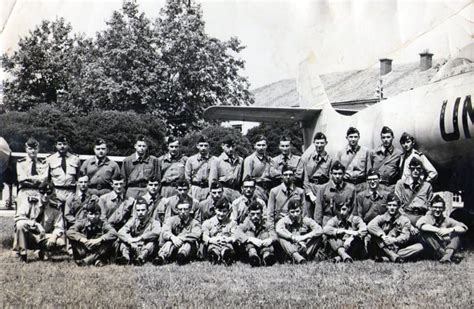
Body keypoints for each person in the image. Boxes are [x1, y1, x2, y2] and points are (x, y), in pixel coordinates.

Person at [13, 182, 65, 262]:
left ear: (52, 193)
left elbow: (59, 226)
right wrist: (36, 224)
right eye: (42, 192)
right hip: (29, 236)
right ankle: (23, 255)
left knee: (60, 242)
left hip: (43, 236)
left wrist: (54, 236)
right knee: (20, 224)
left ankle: (42, 251)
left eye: (48, 193)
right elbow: (18, 217)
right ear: (38, 192)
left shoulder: (55, 207)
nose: (45, 196)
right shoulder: (30, 202)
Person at [367, 193, 424, 262]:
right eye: (390, 205)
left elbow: (405, 236)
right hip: (382, 246)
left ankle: (387, 258)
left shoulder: (404, 220)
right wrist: (383, 236)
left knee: (419, 247)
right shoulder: (381, 217)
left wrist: (394, 240)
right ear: (387, 206)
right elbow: (370, 225)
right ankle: (393, 257)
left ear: (398, 207)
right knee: (374, 235)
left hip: (397, 248)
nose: (392, 208)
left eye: (394, 205)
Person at [416, 195, 468, 263]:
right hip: (431, 248)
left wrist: (450, 229)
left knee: (456, 233)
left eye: (440, 208)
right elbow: (420, 225)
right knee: (426, 232)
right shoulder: (426, 218)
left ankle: (446, 257)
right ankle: (448, 256)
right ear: (430, 208)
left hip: (444, 246)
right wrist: (439, 230)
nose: (437, 210)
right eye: (435, 207)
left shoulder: (446, 219)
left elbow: (464, 227)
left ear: (444, 208)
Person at [67, 200, 118, 266]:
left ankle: (87, 261)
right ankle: (97, 260)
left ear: (100, 214)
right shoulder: (82, 222)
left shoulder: (103, 223)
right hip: (84, 248)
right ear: (86, 214)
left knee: (111, 240)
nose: (94, 216)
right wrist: (82, 239)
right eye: (91, 214)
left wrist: (99, 240)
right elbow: (69, 232)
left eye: (96, 214)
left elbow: (114, 232)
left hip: (98, 248)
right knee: (72, 238)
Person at [296, 132, 333, 219]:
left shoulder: (330, 160)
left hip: (324, 188)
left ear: (326, 143)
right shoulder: (307, 158)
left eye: (322, 143)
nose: (319, 145)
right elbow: (305, 179)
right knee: (308, 215)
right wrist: (310, 194)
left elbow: (331, 178)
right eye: (317, 143)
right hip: (310, 188)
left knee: (322, 215)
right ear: (314, 143)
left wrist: (325, 192)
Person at [276, 199, 323, 264]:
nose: (295, 214)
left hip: (305, 247)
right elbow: (278, 230)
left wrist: (304, 237)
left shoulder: (306, 220)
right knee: (281, 238)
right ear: (288, 212)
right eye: (292, 212)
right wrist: (293, 237)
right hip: (291, 248)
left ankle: (303, 257)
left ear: (301, 210)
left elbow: (319, 230)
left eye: (297, 211)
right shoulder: (284, 221)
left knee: (319, 236)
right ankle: (299, 258)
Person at [117, 198, 161, 265]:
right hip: (134, 247)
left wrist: (140, 238)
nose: (140, 213)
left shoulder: (154, 222)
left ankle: (140, 259)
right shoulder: (133, 221)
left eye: (143, 210)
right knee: (123, 242)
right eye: (138, 210)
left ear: (148, 210)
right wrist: (130, 241)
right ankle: (125, 258)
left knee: (151, 243)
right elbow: (121, 232)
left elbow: (157, 232)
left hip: (145, 248)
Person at [314, 161, 356, 227]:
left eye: (340, 174)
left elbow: (354, 209)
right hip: (327, 222)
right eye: (335, 174)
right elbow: (318, 211)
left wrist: (352, 225)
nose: (337, 176)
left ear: (344, 174)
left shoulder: (351, 189)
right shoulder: (323, 189)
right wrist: (318, 227)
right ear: (331, 174)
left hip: (344, 223)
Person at [236, 200, 277, 267]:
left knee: (265, 234)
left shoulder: (265, 223)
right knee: (249, 233)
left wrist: (271, 239)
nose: (255, 216)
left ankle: (267, 257)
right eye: (253, 214)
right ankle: (254, 257)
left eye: (258, 214)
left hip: (263, 246)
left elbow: (274, 233)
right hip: (250, 248)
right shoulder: (246, 223)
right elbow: (237, 233)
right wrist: (250, 239)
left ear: (262, 213)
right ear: (249, 213)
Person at [395, 157, 433, 225]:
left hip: (422, 217)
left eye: (418, 168)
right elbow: (397, 206)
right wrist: (406, 221)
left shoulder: (427, 186)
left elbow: (430, 207)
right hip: (405, 217)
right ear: (409, 169)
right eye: (413, 168)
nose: (415, 171)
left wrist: (424, 220)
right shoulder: (400, 184)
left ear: (421, 170)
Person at [121, 135, 160, 199]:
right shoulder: (127, 161)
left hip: (147, 191)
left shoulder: (153, 160)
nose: (141, 148)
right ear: (135, 146)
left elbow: (158, 179)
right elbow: (123, 181)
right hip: (131, 191)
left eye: (144, 146)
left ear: (147, 147)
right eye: (139, 146)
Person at [15, 137, 49, 211]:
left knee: (38, 217)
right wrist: (37, 178)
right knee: (22, 217)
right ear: (26, 149)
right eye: (30, 149)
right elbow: (21, 179)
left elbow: (44, 178)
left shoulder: (43, 163)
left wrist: (28, 178)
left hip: (38, 192)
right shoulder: (21, 163)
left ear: (38, 149)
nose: (33, 151)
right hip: (24, 191)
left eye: (35, 149)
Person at [202, 199, 238, 265]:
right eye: (219, 211)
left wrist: (229, 239)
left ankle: (226, 256)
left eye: (224, 211)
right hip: (214, 243)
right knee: (213, 248)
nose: (221, 214)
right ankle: (214, 256)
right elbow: (205, 236)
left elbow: (235, 235)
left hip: (226, 243)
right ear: (215, 210)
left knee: (228, 248)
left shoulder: (232, 223)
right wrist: (211, 240)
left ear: (228, 212)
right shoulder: (208, 222)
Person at [46, 136, 81, 203]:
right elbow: (47, 179)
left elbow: (78, 178)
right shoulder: (50, 159)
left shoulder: (75, 159)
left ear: (68, 145)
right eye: (59, 144)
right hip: (56, 193)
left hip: (71, 193)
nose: (62, 146)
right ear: (56, 145)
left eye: (64, 144)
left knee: (69, 213)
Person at [209, 136, 243, 203]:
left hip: (237, 192)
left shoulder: (240, 160)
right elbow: (212, 180)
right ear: (222, 146)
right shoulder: (217, 161)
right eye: (228, 146)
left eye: (233, 146)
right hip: (223, 193)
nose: (231, 149)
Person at [336, 127, 371, 192]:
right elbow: (336, 171)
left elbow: (369, 171)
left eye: (355, 137)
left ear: (359, 137)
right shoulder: (341, 152)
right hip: (346, 185)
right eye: (351, 137)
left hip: (361, 185)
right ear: (347, 138)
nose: (353, 139)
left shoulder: (365, 151)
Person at [369, 126, 403, 191]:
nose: (386, 140)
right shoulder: (373, 153)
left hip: (392, 188)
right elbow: (369, 171)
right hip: (377, 187)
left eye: (388, 137)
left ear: (392, 138)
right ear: (381, 138)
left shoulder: (398, 154)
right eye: (383, 137)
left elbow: (400, 173)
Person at [185, 136, 217, 201]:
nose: (203, 148)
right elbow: (187, 177)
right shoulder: (191, 160)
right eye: (201, 145)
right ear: (197, 146)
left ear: (209, 146)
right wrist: (190, 189)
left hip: (208, 189)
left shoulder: (215, 160)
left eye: (205, 145)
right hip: (195, 188)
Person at [243, 135, 273, 202]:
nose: (261, 147)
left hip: (269, 189)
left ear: (266, 146)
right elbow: (246, 179)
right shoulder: (250, 160)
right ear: (254, 146)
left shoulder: (270, 159)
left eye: (263, 145)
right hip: (256, 189)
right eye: (259, 145)